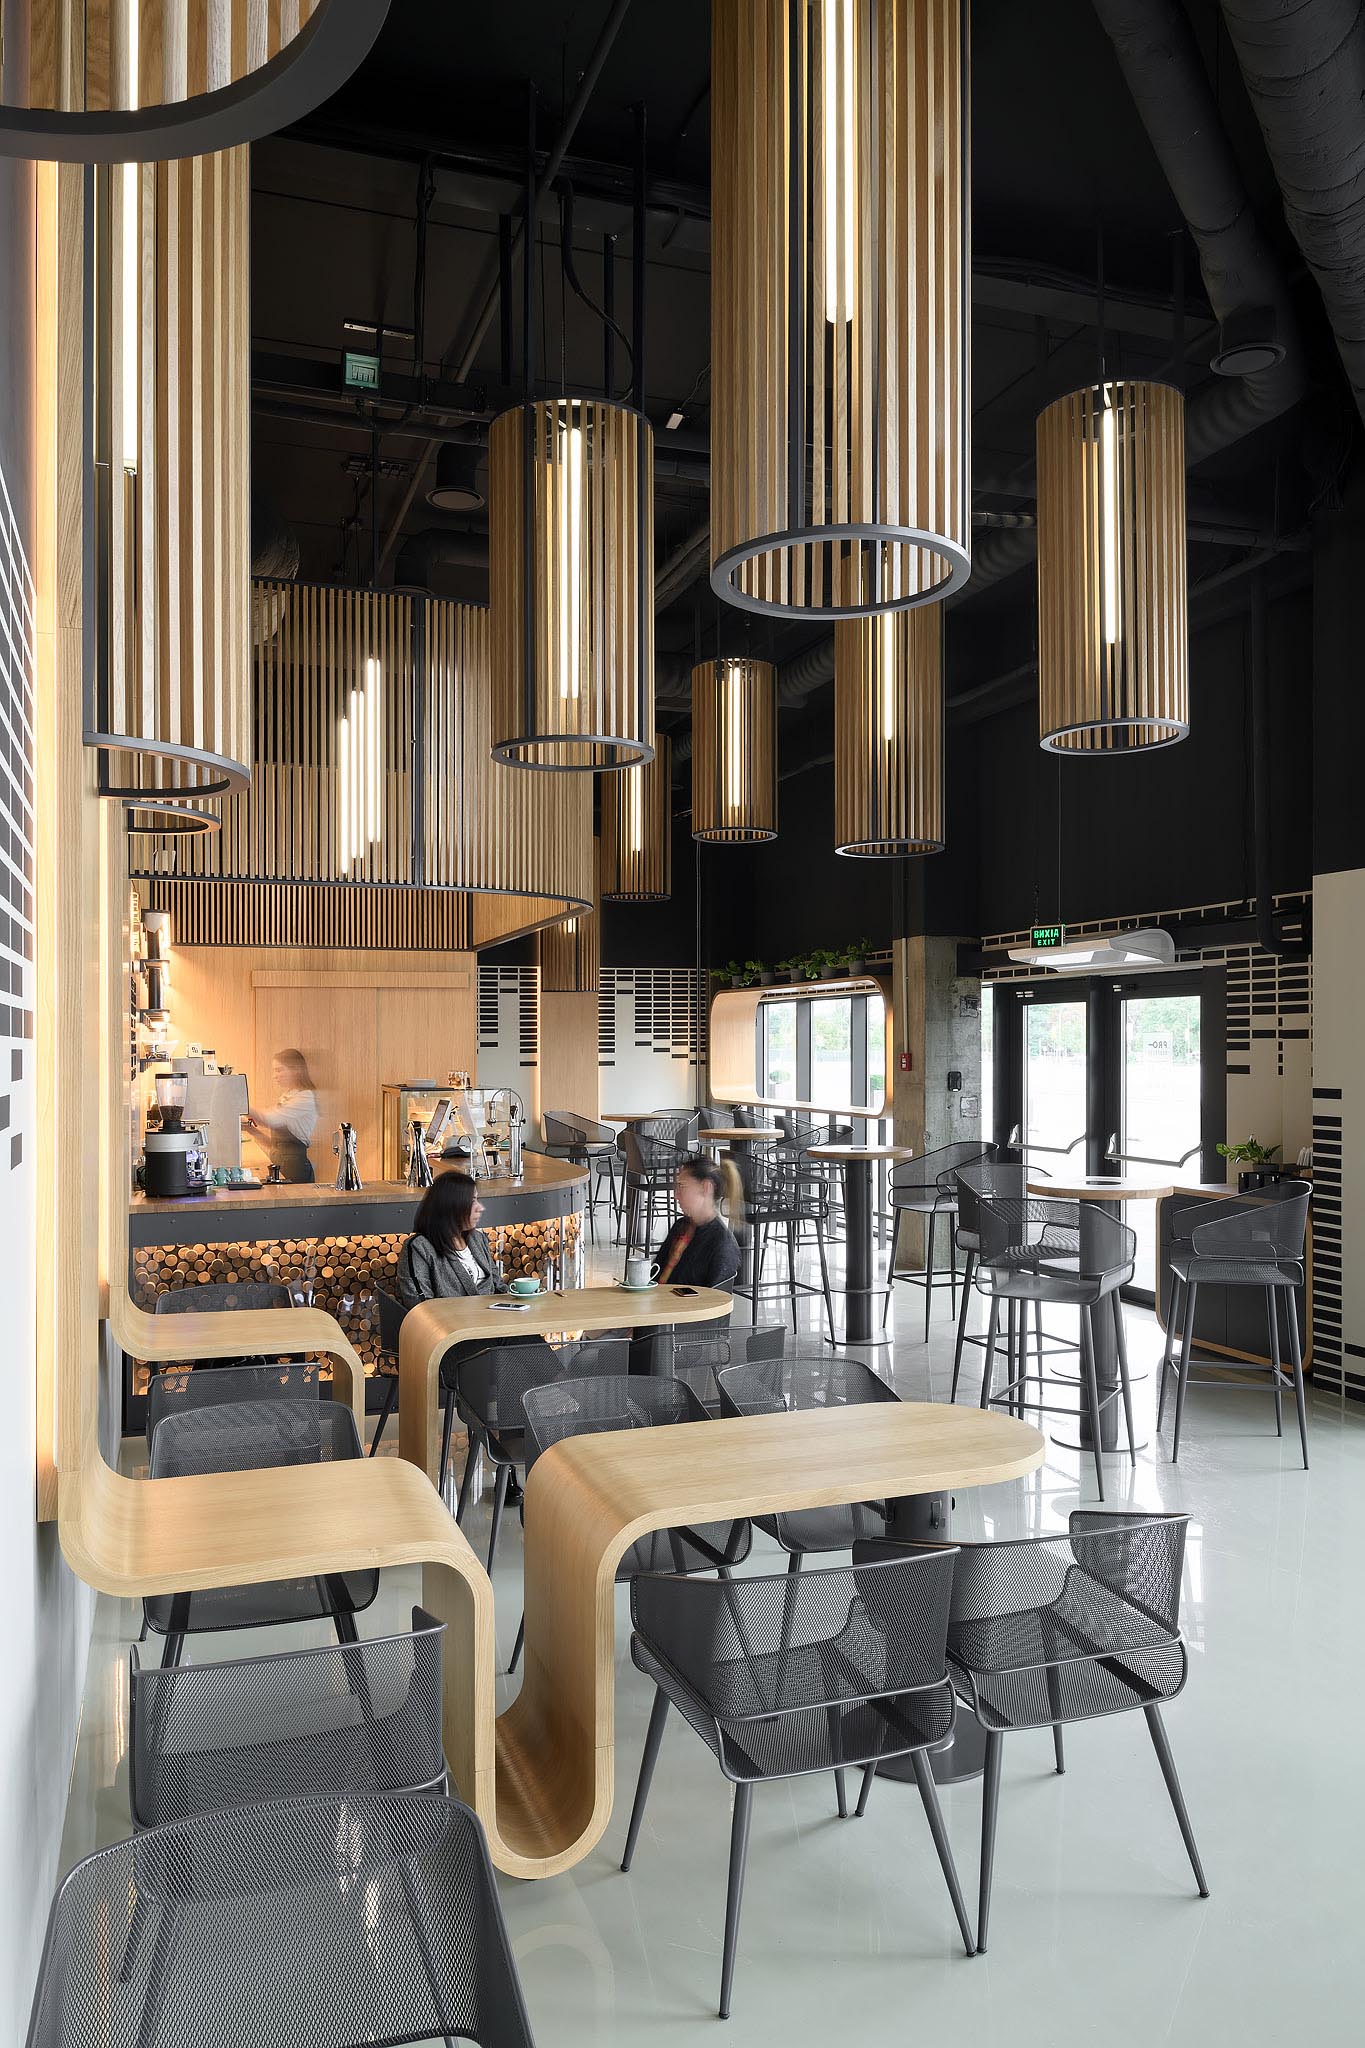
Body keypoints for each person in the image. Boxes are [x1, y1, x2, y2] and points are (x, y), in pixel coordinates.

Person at [396, 1172, 506, 1307]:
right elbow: (420, 1307)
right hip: (452, 1326)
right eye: (472, 1201)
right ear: (451, 1205)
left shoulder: (478, 1239)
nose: (480, 1208)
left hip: (494, 1322)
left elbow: (500, 1288)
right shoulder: (419, 1247)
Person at [653, 1154, 743, 1289]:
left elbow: (714, 1302)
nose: (676, 1195)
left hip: (682, 1309)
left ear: (706, 1187)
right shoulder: (681, 1226)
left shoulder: (722, 1244)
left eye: (682, 1186)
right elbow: (654, 1275)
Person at [244, 1047, 319, 1184]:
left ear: (296, 1070)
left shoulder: (305, 1097)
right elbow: (275, 1145)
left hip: (295, 1170)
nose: (275, 1076)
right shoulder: (287, 1096)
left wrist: (238, 1102)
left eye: (279, 1070)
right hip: (282, 1166)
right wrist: (251, 1130)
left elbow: (267, 1119)